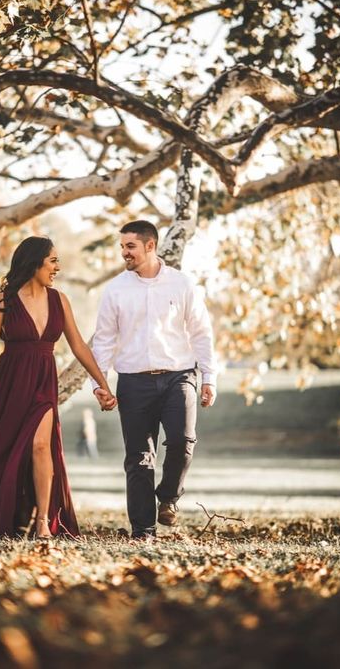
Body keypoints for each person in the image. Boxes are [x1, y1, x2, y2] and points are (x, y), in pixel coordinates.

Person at [0, 236, 116, 539]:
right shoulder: (4, 300)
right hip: (10, 381)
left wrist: (103, 384)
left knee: (42, 445)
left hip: (44, 379)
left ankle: (43, 520)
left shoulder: (59, 300)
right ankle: (5, 513)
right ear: (34, 262)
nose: (58, 267)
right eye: (52, 260)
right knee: (1, 449)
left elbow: (79, 346)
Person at [91, 220, 217, 540]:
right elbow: (104, 341)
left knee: (182, 441)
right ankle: (143, 529)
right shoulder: (116, 289)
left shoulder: (182, 284)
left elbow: (202, 332)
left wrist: (209, 377)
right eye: (122, 247)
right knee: (139, 458)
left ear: (150, 246)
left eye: (130, 246)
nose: (124, 253)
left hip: (179, 376)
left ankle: (169, 497)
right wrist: (99, 384)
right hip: (134, 381)